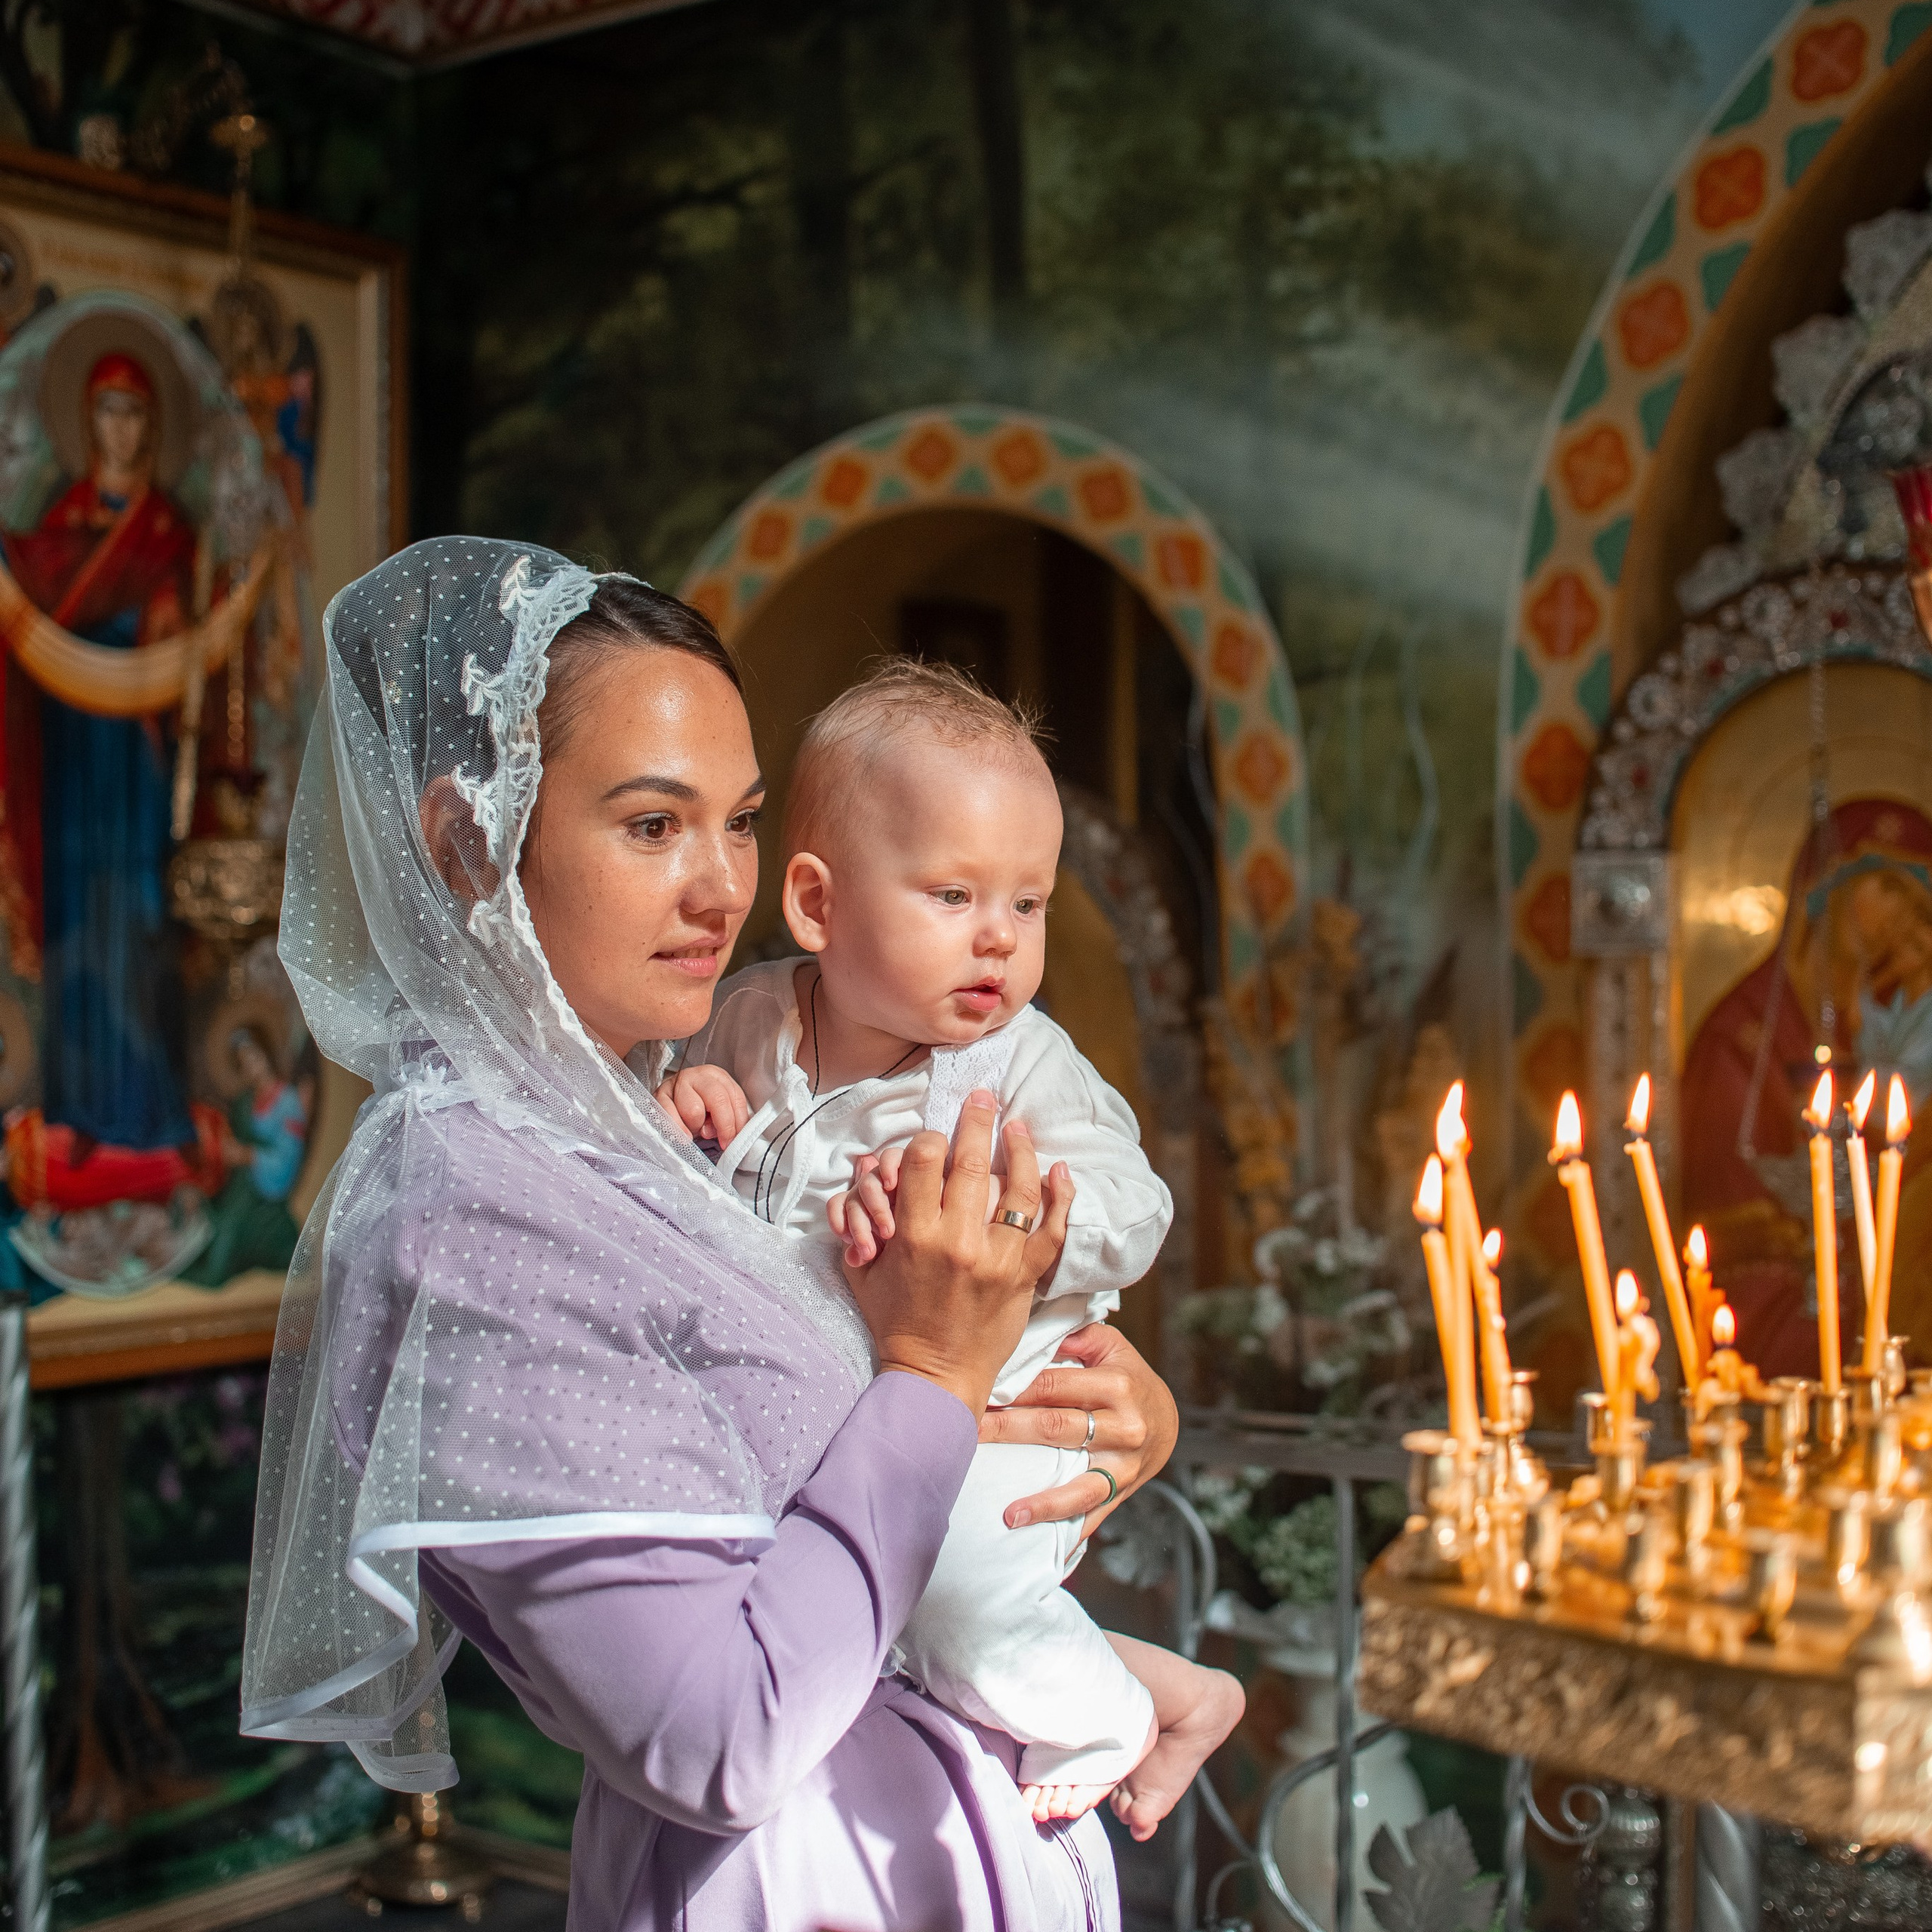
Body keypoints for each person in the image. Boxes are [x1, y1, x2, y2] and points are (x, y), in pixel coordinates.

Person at [239, 539, 1181, 1930]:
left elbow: (818, 1491)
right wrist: (937, 1373)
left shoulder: (628, 1128)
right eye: (649, 824)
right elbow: (718, 1735)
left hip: (931, 1846)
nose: (718, 889)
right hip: (789, 1885)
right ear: (463, 844)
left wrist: (1105, 1413)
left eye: (736, 822)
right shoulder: (474, 1205)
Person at [663, 659, 1240, 1839]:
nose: (1000, 942)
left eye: (1027, 905)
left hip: (991, 1402)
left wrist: (991, 1206)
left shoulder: (1017, 1063)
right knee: (860, 1600)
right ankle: (1169, 1689)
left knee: (960, 1585)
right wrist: (685, 1103)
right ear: (819, 907)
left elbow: (1138, 1206)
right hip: (828, 1412)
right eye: (954, 896)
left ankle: (1102, 1718)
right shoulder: (748, 1017)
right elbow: (682, 1155)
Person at [7, 348, 197, 1151]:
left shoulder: (166, 531)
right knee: (79, 918)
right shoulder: (62, 521)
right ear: (88, 422)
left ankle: (148, 1108)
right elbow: (33, 613)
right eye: (108, 409)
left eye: (134, 410)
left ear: (151, 426)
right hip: (73, 749)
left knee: (140, 918)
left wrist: (168, 624)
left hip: (137, 750)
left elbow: (180, 638)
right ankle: (80, 1109)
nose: (120, 426)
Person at [1681, 798, 1932, 1374]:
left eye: (1918, 904)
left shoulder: (1893, 1025)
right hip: (1777, 1298)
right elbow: (1728, 1217)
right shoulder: (1740, 1035)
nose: (1903, 917)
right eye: (1888, 889)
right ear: (1830, 885)